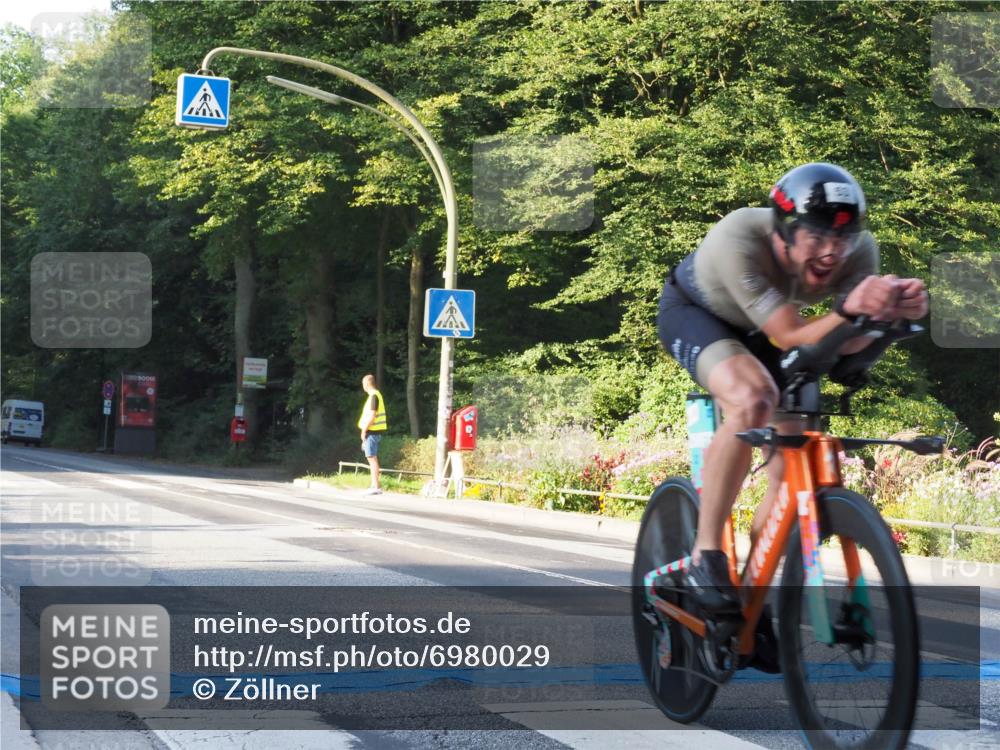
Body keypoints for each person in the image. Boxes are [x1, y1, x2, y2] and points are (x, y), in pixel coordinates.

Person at [657, 163, 928, 648]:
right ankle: (705, 554)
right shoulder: (740, 235)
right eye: (817, 236)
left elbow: (839, 345)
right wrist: (849, 311)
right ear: (784, 230)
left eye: (842, 239)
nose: (832, 252)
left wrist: (888, 315)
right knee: (752, 398)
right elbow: (790, 334)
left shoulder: (859, 251)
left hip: (778, 336)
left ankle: (748, 595)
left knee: (787, 473)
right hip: (702, 317)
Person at [358, 374, 388, 495]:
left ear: (366, 384)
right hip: (374, 432)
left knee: (372, 459)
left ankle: (376, 486)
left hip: (372, 432)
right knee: (372, 458)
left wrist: (364, 430)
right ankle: (374, 485)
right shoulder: (375, 395)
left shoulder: (374, 396)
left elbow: (372, 415)